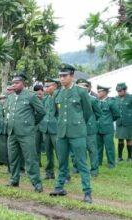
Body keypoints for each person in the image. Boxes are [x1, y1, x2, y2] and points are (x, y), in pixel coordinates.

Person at [50, 64, 93, 204]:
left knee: (81, 163)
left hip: (77, 133)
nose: (61, 78)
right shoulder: (57, 93)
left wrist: (77, 123)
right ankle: (59, 187)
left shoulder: (81, 92)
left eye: (64, 75)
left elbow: (87, 112)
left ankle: (87, 192)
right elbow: (56, 113)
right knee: (62, 162)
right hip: (62, 133)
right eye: (60, 76)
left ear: (72, 76)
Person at [5, 74, 45, 192]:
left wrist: (31, 123)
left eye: (17, 83)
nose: (14, 85)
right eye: (13, 83)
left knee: (30, 159)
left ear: (23, 83)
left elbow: (41, 112)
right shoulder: (11, 98)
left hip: (26, 133)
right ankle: (14, 180)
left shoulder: (30, 96)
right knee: (13, 158)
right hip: (12, 133)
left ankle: (37, 183)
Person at [76, 79, 102, 177]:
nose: (82, 89)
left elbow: (98, 113)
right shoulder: (74, 99)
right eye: (79, 87)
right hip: (77, 128)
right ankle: (78, 167)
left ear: (88, 88)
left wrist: (91, 121)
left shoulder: (93, 99)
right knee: (78, 149)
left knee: (92, 149)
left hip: (90, 129)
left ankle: (94, 169)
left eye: (84, 87)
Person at [39, 78, 60, 180]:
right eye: (45, 86)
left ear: (55, 86)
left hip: (56, 129)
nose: (46, 88)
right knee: (48, 152)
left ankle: (64, 174)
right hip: (46, 129)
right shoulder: (45, 99)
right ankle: (49, 173)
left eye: (48, 86)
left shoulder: (60, 97)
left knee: (60, 152)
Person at [97, 85, 120, 168]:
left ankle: (111, 163)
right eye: (98, 91)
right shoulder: (96, 101)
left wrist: (108, 121)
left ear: (105, 92)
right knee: (98, 147)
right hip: (97, 128)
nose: (98, 93)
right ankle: (98, 163)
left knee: (109, 147)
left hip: (107, 128)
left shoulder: (111, 102)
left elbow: (116, 114)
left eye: (100, 91)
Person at [115, 82, 132, 162]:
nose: (119, 92)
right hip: (119, 122)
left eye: (120, 91)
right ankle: (120, 157)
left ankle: (129, 157)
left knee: (129, 139)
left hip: (128, 122)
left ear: (125, 90)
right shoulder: (116, 98)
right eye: (118, 91)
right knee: (120, 139)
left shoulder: (130, 98)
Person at [0, 94, 9, 170]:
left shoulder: (8, 107)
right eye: (0, 99)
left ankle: (7, 160)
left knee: (6, 145)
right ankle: (0, 160)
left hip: (6, 128)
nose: (2, 100)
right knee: (0, 145)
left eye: (3, 98)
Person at [33, 84, 45, 167]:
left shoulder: (47, 100)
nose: (39, 93)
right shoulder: (33, 101)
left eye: (40, 91)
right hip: (36, 126)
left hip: (46, 126)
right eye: (37, 91)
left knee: (48, 146)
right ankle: (37, 162)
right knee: (36, 145)